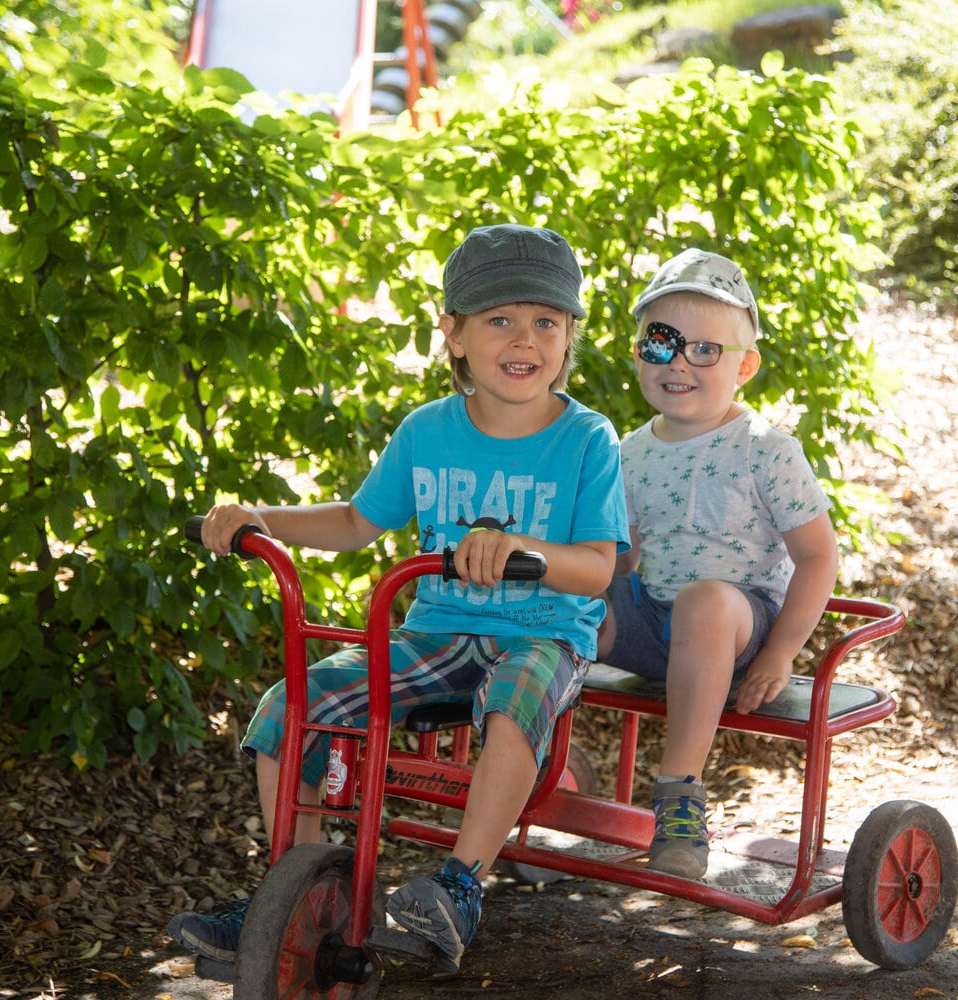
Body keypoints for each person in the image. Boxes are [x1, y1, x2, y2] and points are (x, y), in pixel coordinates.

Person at [167, 224, 629, 972]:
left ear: (570, 335)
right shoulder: (427, 432)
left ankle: (459, 885)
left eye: (546, 321)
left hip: (543, 632)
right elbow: (355, 522)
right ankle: (296, 891)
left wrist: (524, 553)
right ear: (452, 335)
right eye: (499, 320)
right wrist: (261, 518)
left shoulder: (587, 439)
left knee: (515, 697)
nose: (525, 339)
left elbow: (598, 569)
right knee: (288, 709)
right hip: (437, 633)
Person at [596, 248, 839, 879]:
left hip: (736, 627)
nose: (680, 361)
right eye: (662, 343)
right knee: (565, 584)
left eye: (706, 349)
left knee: (704, 600)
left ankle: (679, 795)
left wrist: (781, 651)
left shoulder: (766, 449)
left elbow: (817, 557)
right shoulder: (630, 452)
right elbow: (622, 558)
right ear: (638, 352)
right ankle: (521, 736)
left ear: (745, 365)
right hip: (654, 626)